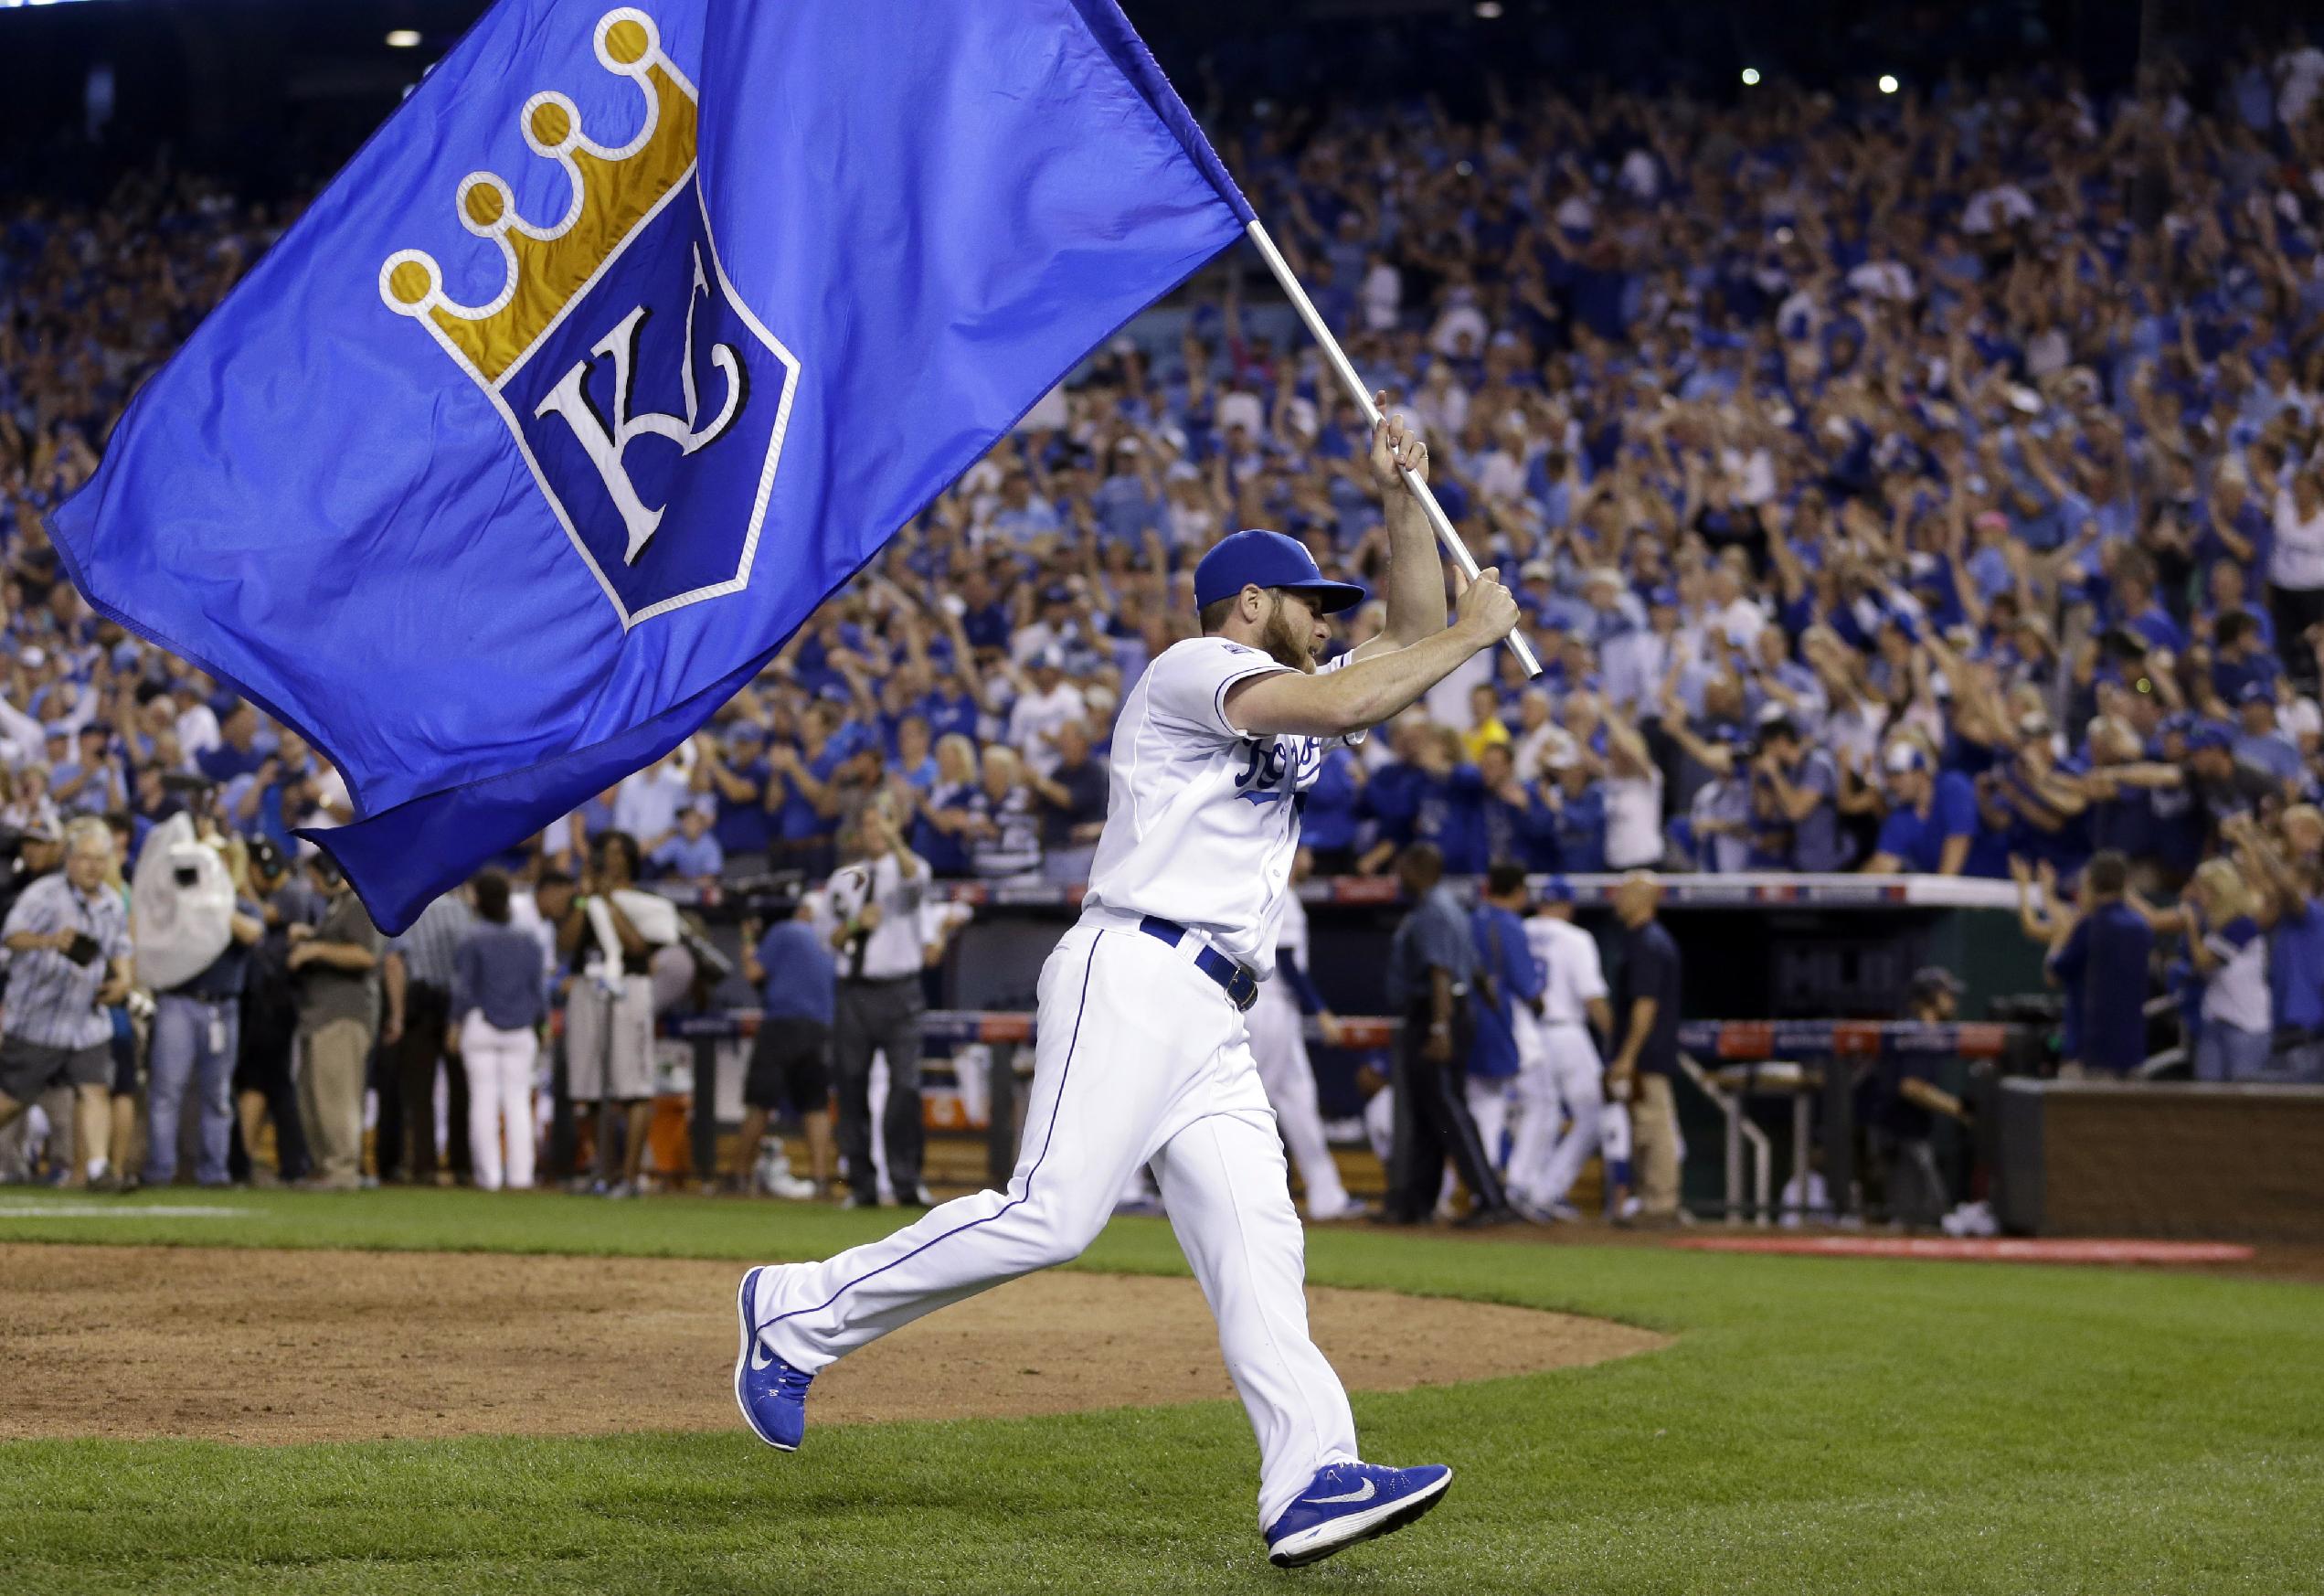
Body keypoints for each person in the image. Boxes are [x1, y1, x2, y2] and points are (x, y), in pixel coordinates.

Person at [735, 403, 1511, 1569]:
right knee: (1052, 1214)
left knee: (1260, 1241)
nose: (1326, 624)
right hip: (1136, 964)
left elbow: (1391, 658)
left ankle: (1310, 1475)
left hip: (1211, 1011)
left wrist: (1403, 501)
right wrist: (1476, 631)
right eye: (1312, 604)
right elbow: (1373, 687)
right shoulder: (1197, 667)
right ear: (1251, 604)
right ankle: (794, 1309)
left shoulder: (1280, 684)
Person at [1382, 843, 1516, 1228]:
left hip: (1436, 1015)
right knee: (1431, 1113)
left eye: (1403, 868)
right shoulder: (1449, 906)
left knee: (1448, 1110)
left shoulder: (1433, 912)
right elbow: (1474, 967)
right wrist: (1482, 1004)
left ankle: (1491, 1199)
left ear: (1420, 869)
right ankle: (1416, 1204)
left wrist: (1441, 1027)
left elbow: (1441, 972)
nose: (1398, 878)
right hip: (1450, 1012)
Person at [0, 817, 133, 1187]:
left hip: (86, 1018)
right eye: (86, 858)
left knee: (94, 1089)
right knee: (12, 1099)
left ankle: (97, 1169)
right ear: (70, 860)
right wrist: (49, 941)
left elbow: (121, 949)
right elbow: (11, 937)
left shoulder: (111, 902)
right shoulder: (44, 895)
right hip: (39, 1017)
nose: (93, 866)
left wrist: (122, 980)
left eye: (100, 859)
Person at [823, 798, 934, 1208]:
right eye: (867, 825)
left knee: (905, 1085)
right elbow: (827, 938)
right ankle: (861, 1185)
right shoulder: (844, 878)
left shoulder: (909, 867)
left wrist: (895, 839)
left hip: (900, 990)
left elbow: (915, 882)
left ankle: (906, 1181)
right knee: (851, 1086)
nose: (873, 832)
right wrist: (854, 925)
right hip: (854, 991)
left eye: (880, 825)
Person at [1243, 847, 1359, 1222]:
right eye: (1307, 851)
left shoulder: (1273, 891)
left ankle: (1328, 1196)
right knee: (1250, 1104)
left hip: (1279, 1010)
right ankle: (1236, 1193)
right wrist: (1321, 1012)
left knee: (1300, 1102)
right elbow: (1288, 963)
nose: (1311, 858)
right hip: (1269, 1007)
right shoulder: (1281, 894)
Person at [143, 833, 263, 1188]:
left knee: (218, 1094)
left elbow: (251, 933)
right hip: (179, 1001)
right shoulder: (177, 901)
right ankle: (160, 1171)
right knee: (166, 1092)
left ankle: (215, 1173)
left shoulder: (238, 906)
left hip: (221, 1008)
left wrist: (212, 904)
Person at [556, 831, 660, 1197]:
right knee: (588, 1086)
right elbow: (566, 945)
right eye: (606, 853)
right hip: (589, 984)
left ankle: (630, 1178)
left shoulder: (641, 900)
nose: (611, 860)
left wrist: (608, 903)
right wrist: (585, 900)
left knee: (633, 1086)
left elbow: (639, 948)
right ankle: (606, 1172)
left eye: (619, 853)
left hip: (629, 984)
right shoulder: (583, 898)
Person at [1508, 878, 1613, 1221]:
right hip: (1565, 1032)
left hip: (1524, 1033)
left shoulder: (1519, 929)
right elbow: (1591, 996)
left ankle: (1526, 1188)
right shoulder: (1577, 938)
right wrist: (1615, 1035)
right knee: (1592, 1114)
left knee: (1541, 1114)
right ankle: (1545, 1190)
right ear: (1568, 906)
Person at [288, 851, 384, 1190]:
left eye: (317, 877)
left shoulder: (358, 902)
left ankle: (342, 1169)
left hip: (343, 1014)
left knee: (336, 1096)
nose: (314, 885)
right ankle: (325, 1168)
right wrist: (311, 937)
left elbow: (365, 954)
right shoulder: (337, 905)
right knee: (315, 1095)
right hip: (321, 1014)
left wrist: (315, 950)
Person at [447, 869, 547, 1192]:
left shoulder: (472, 936)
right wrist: (542, 1024)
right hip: (521, 1028)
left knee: (483, 1102)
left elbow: (464, 988)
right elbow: (538, 990)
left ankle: (488, 1177)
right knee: (518, 1102)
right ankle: (521, 1177)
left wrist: (454, 1023)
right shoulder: (529, 938)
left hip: (481, 1025)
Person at [739, 893, 838, 1199]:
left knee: (760, 1101)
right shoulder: (831, 941)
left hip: (782, 1025)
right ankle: (821, 1180)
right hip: (820, 1028)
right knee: (815, 1104)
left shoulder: (788, 930)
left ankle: (738, 1176)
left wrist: (747, 937)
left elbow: (754, 972)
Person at [229, 835, 313, 1186]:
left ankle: (292, 1164)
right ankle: (246, 1163)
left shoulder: (292, 893)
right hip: (266, 1000)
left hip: (278, 1002)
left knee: (276, 1084)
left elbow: (268, 916)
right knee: (259, 1081)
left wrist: (235, 884)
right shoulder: (287, 890)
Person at [379, 887, 477, 1186]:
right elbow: (470, 963)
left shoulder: (404, 907)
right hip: (456, 1004)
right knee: (460, 1090)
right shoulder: (461, 909)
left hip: (419, 1005)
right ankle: (462, 1165)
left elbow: (394, 962)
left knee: (420, 1093)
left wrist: (396, 1016)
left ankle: (425, 1167)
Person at [1463, 861, 1544, 1201]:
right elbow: (1527, 986)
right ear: (1519, 891)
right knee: (1542, 1101)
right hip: (1502, 1020)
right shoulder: (1508, 924)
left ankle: (1484, 1187)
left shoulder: (1470, 920)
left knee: (1483, 1104)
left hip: (1466, 1019)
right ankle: (1514, 1185)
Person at [1608, 871, 1683, 1222]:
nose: (1617, 898)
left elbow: (1645, 1004)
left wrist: (1628, 1055)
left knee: (1654, 1129)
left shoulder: (1649, 942)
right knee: (1642, 1130)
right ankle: (1652, 1201)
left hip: (1648, 1054)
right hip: (1645, 1052)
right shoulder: (1642, 939)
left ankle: (1661, 1203)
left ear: (1644, 898)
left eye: (1624, 892)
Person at [1873, 968, 1975, 1229]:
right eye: (1947, 994)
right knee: (1921, 1217)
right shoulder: (1921, 1033)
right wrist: (1957, 1108)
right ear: (1930, 997)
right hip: (1899, 1134)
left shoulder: (1921, 1031)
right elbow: (1911, 1087)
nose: (1953, 1000)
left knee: (1922, 1215)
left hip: (1903, 1133)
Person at [2043, 850, 2151, 1078]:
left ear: (2090, 883)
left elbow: (2053, 974)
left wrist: (2061, 936)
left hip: (2088, 1052)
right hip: (2131, 1052)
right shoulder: (2141, 927)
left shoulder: (2089, 927)